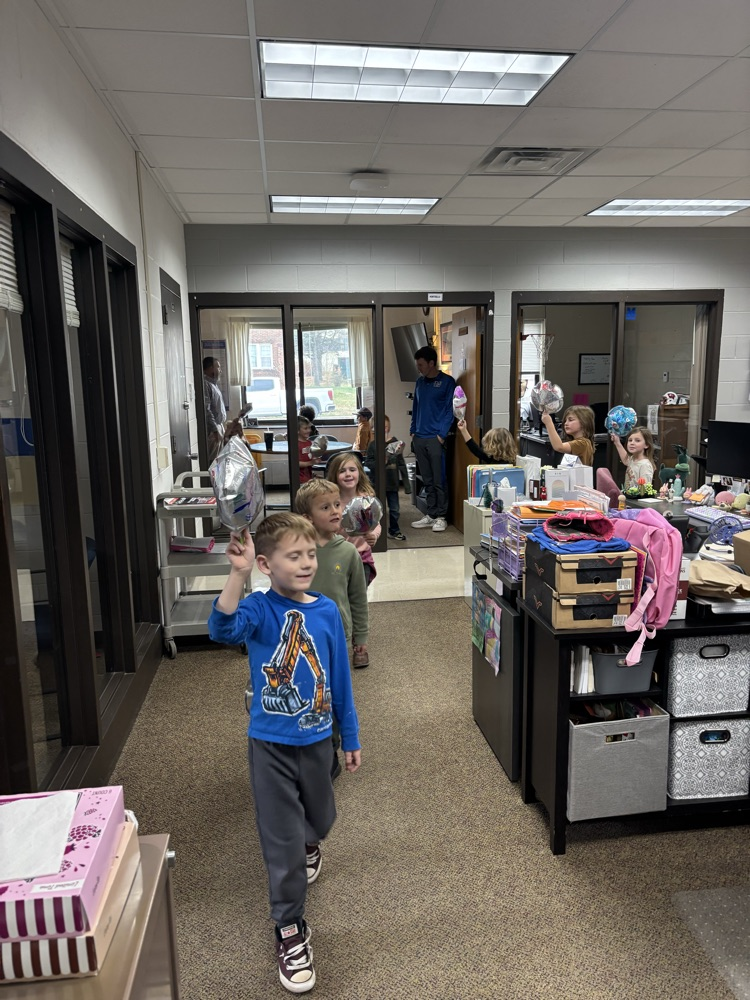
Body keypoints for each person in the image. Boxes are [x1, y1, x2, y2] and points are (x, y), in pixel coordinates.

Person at [207, 513, 361, 995]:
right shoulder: (258, 608)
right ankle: (290, 929)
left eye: (310, 554)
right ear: (267, 565)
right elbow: (221, 629)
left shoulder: (327, 613)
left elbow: (339, 680)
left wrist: (349, 735)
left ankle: (311, 840)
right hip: (269, 744)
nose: (306, 563)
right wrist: (237, 573)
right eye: (293, 556)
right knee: (282, 845)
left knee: (320, 817)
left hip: (318, 742)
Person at [409, 345, 456, 532]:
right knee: (427, 479)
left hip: (436, 438)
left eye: (421, 364)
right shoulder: (419, 383)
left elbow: (449, 410)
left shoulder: (447, 382)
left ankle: (441, 516)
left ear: (431, 363)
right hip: (419, 437)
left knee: (439, 479)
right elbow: (416, 407)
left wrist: (441, 435)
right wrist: (413, 431)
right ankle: (431, 513)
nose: (418, 368)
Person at [326, 452, 381, 601]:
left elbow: (376, 524)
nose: (348, 474)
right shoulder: (331, 502)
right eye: (342, 471)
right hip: (337, 558)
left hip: (361, 558)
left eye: (352, 469)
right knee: (338, 596)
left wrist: (374, 535)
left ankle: (357, 623)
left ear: (359, 473)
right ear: (335, 475)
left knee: (358, 597)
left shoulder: (366, 499)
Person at [366, 415, 411, 541]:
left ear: (388, 427)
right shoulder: (373, 445)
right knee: (377, 510)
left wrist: (407, 486)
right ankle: (376, 532)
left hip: (392, 483)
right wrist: (382, 461)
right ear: (373, 429)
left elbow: (401, 464)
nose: (383, 430)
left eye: (385, 427)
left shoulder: (396, 443)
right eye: (379, 427)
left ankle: (394, 530)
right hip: (378, 483)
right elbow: (369, 463)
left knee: (395, 509)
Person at [611, 424, 656, 490]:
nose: (632, 443)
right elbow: (625, 460)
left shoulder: (645, 465)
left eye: (637, 440)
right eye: (630, 440)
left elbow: (645, 489)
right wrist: (617, 442)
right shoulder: (633, 459)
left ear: (646, 445)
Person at [203, 356, 227, 464]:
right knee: (213, 462)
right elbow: (207, 410)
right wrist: (215, 430)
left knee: (219, 460)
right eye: (218, 367)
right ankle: (210, 481)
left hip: (218, 426)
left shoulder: (214, 384)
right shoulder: (206, 384)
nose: (220, 370)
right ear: (210, 368)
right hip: (213, 430)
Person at [298, 415, 314, 484]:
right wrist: (311, 462)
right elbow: (296, 463)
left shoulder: (309, 443)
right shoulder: (295, 444)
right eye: (305, 428)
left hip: (308, 477)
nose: (309, 430)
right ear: (297, 430)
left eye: (309, 428)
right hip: (299, 479)